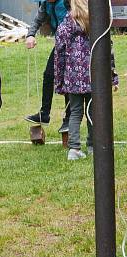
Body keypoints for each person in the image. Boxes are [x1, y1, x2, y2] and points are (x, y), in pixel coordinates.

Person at [54, 0, 119, 160]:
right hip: (94, 75)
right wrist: (112, 76)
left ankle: (74, 149)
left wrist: (59, 80)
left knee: (75, 112)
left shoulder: (65, 25)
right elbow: (107, 50)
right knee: (93, 111)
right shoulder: (97, 23)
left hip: (73, 78)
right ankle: (93, 146)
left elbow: (59, 55)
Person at [24, 0, 71, 134]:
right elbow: (38, 20)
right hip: (60, 44)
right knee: (49, 75)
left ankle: (69, 118)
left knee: (68, 79)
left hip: (74, 44)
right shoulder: (45, 3)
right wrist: (31, 35)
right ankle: (44, 114)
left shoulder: (69, 2)